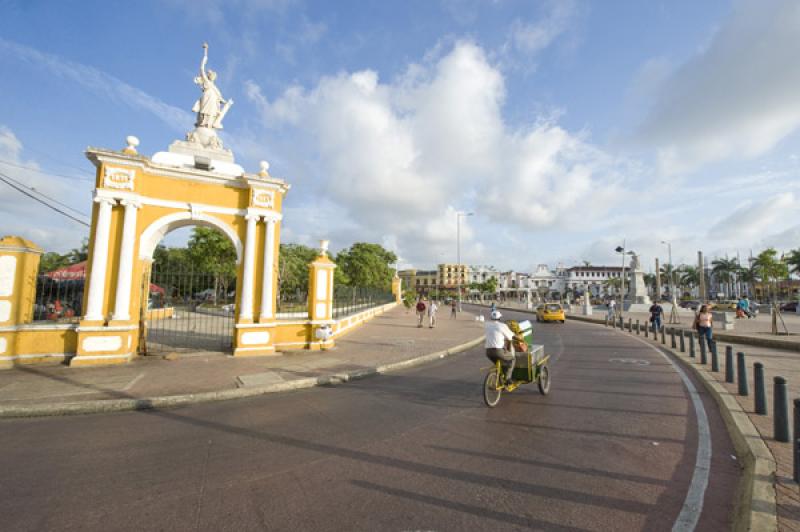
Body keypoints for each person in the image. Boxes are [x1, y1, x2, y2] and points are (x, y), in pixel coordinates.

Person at [485, 310, 515, 382]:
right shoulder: (502, 325)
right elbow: (511, 336)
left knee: (500, 362)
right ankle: (507, 378)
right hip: (498, 351)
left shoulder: (487, 325)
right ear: (499, 318)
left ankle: (500, 377)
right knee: (512, 359)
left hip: (488, 352)